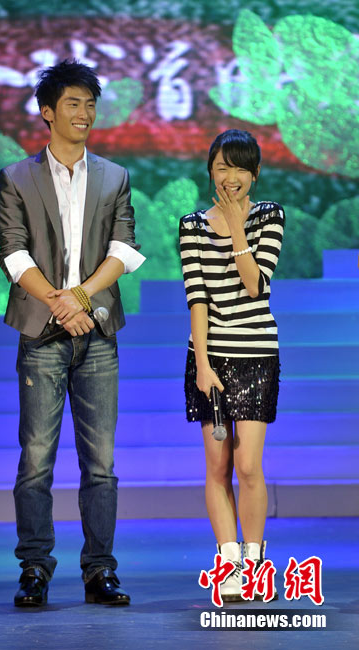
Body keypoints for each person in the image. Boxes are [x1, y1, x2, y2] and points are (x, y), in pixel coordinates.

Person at [0, 59, 145, 607]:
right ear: (47, 112)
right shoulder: (17, 176)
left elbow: (123, 250)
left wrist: (78, 298)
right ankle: (35, 567)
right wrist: (59, 304)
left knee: (100, 464)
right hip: (40, 333)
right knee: (36, 460)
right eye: (73, 104)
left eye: (90, 105)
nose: (84, 114)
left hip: (98, 331)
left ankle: (99, 570)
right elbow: (14, 254)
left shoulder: (114, 176)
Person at [179, 129, 284, 602]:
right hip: (210, 357)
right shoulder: (192, 225)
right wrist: (202, 364)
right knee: (218, 466)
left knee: (248, 465)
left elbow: (255, 285)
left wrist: (237, 227)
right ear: (210, 171)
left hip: (256, 354)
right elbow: (197, 298)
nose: (231, 176)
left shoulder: (270, 216)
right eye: (222, 167)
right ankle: (229, 564)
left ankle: (255, 562)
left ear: (254, 174)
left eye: (241, 167)